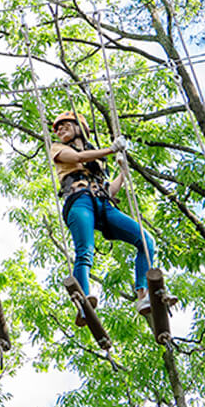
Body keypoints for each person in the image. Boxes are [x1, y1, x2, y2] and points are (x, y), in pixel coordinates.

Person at [50, 110, 158, 323]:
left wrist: (123, 172)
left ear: (80, 129)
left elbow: (110, 190)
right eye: (58, 127)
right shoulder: (58, 148)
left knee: (146, 241)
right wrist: (110, 149)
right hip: (79, 201)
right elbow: (78, 158)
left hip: (103, 203)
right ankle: (83, 300)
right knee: (85, 251)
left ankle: (143, 295)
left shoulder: (97, 161)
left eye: (66, 125)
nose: (60, 129)